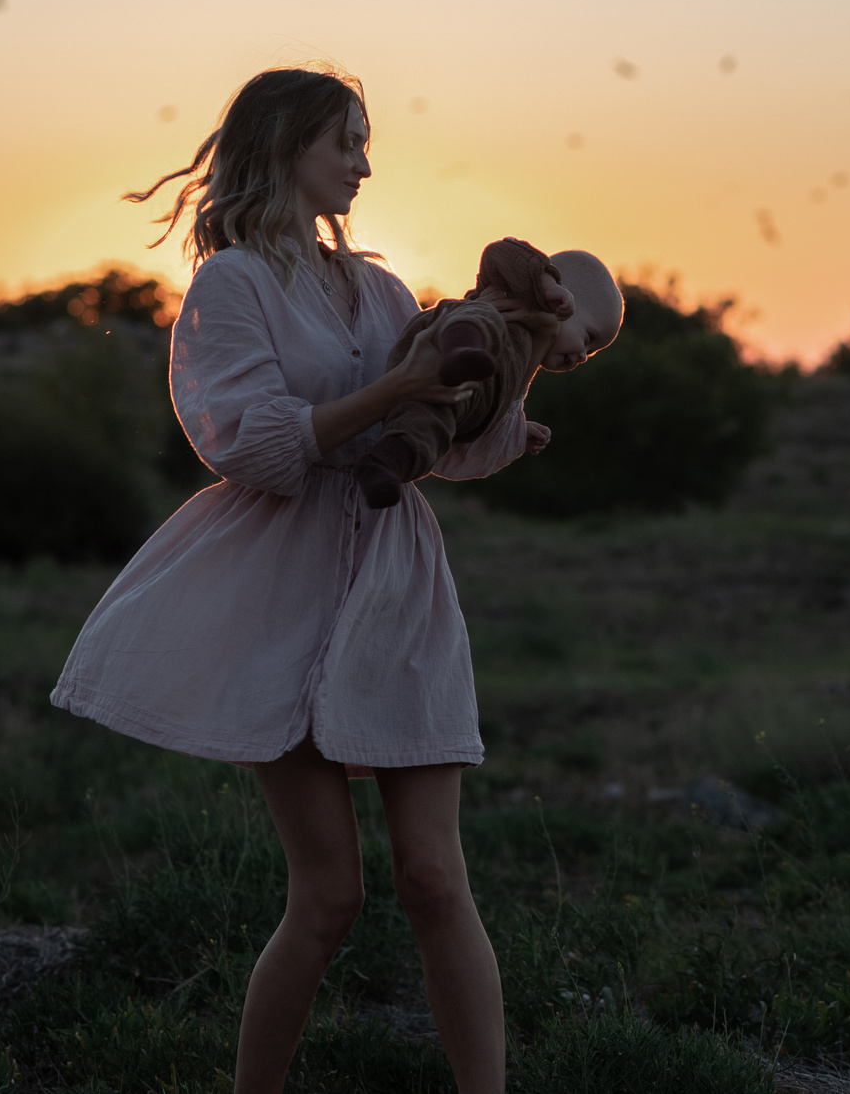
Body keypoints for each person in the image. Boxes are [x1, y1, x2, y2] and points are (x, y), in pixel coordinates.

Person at [50, 65, 543, 1094]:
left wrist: (515, 376)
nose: (362, 162)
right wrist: (392, 387)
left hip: (398, 588)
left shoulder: (381, 286)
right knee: (328, 894)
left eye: (365, 143)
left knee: (434, 876)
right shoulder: (231, 285)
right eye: (343, 141)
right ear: (282, 147)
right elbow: (257, 450)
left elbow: (441, 446)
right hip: (280, 590)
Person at [354, 237, 622, 508]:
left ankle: (384, 466)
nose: (583, 356)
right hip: (440, 340)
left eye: (593, 352)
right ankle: (461, 353)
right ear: (566, 297)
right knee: (487, 317)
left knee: (427, 427)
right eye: (589, 338)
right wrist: (545, 285)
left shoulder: (519, 367)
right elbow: (500, 252)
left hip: (445, 393)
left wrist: (517, 432)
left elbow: (478, 431)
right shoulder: (512, 292)